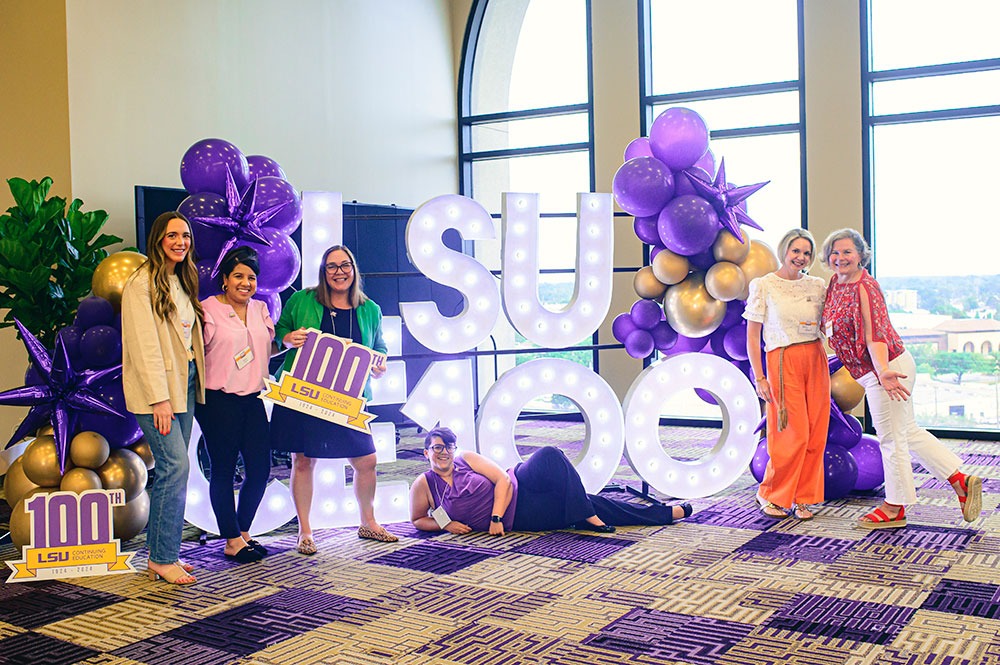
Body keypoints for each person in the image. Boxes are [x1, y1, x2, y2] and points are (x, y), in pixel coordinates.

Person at [821, 228, 982, 529]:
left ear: (860, 256)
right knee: (907, 430)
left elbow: (875, 334)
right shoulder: (835, 283)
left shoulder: (865, 287)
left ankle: (895, 507)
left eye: (847, 252)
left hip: (887, 369)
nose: (840, 257)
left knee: (892, 439)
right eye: (835, 251)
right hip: (876, 371)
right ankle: (960, 480)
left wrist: (882, 371)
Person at [271, 245, 392, 552]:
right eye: (332, 267)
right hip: (304, 393)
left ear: (354, 269)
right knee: (303, 461)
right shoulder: (302, 300)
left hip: (347, 396)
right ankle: (305, 530)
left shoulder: (370, 309)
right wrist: (287, 338)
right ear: (323, 272)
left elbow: (379, 347)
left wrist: (378, 363)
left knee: (367, 460)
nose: (339, 272)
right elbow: (278, 330)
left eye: (345, 265)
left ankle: (369, 522)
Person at [121, 211, 205, 584]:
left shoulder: (182, 279)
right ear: (158, 239)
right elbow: (144, 347)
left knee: (175, 468)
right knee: (176, 468)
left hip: (184, 384)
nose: (180, 242)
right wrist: (159, 399)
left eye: (185, 236)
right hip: (158, 391)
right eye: (172, 235)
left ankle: (162, 551)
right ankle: (163, 556)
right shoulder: (141, 284)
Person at [409, 426, 692, 535]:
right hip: (521, 516)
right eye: (437, 447)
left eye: (448, 447)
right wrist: (445, 525)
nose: (444, 452)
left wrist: (494, 519)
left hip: (520, 483)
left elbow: (502, 482)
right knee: (589, 503)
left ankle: (586, 514)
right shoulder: (423, 484)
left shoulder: (466, 459)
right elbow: (417, 519)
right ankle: (664, 513)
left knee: (549, 454)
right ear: (426, 453)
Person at [195, 247, 275, 563]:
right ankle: (230, 539)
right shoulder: (207, 309)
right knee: (224, 470)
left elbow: (270, 347)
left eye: (251, 277)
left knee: (260, 468)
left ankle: (242, 532)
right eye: (238, 276)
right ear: (225, 279)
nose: (246, 283)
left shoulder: (260, 309)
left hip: (253, 399)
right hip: (218, 401)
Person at [744, 228, 830, 520]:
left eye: (806, 253)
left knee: (816, 432)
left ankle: (804, 496)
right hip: (782, 359)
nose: (801, 257)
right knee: (790, 433)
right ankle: (772, 493)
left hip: (815, 357)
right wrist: (760, 377)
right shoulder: (764, 285)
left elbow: (828, 323)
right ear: (785, 250)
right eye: (796, 251)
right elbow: (752, 336)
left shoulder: (818, 285)